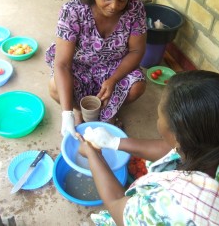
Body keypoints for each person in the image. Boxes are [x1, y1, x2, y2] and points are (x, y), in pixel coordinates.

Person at [76, 70, 219, 225]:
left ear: (179, 137)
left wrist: (92, 155)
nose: (158, 120)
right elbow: (173, 150)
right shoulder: (208, 146)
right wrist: (113, 142)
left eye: (159, 116)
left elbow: (117, 206)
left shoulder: (169, 207)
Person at [45, 0, 147, 137]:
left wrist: (113, 79)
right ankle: (80, 111)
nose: (114, 6)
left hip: (114, 66)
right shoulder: (73, 10)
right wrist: (67, 113)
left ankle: (108, 112)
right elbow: (62, 64)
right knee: (55, 87)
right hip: (79, 65)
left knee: (137, 86)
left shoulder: (135, 9)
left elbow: (136, 50)